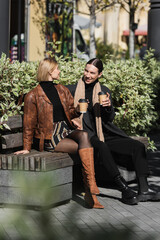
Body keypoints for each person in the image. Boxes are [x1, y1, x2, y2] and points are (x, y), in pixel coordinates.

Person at [67, 58, 160, 205]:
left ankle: (144, 191)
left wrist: (108, 107)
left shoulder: (104, 91)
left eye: (92, 72)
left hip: (105, 134)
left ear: (100, 74)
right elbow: (64, 112)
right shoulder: (72, 90)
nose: (88, 75)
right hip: (86, 136)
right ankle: (124, 188)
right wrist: (73, 115)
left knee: (138, 146)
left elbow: (109, 119)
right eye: (86, 71)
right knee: (102, 146)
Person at [14, 57, 104, 209]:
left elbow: (69, 111)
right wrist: (27, 148)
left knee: (84, 136)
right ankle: (90, 191)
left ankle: (91, 187)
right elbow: (28, 124)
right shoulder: (32, 95)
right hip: (50, 136)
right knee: (84, 149)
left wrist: (77, 111)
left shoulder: (61, 89)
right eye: (57, 69)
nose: (59, 71)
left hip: (65, 129)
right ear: (49, 71)